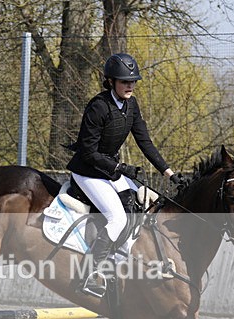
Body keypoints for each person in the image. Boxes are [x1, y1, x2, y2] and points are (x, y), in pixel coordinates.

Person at [67, 52, 176, 297]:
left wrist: (169, 172)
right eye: (124, 81)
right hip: (88, 173)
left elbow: (144, 141)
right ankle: (90, 274)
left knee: (138, 205)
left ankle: (117, 260)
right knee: (117, 218)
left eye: (133, 81)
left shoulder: (131, 105)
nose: (130, 85)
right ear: (111, 81)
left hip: (108, 171)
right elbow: (88, 152)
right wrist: (119, 169)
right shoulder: (98, 106)